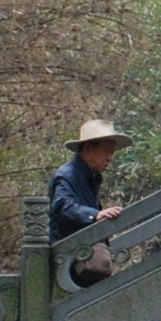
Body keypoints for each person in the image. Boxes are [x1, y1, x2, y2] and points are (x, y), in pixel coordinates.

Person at [49, 119, 130, 286]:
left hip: (80, 255)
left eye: (111, 153)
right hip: (67, 258)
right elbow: (64, 207)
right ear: (87, 148)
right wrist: (95, 215)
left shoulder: (90, 176)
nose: (109, 158)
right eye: (105, 152)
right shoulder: (67, 175)